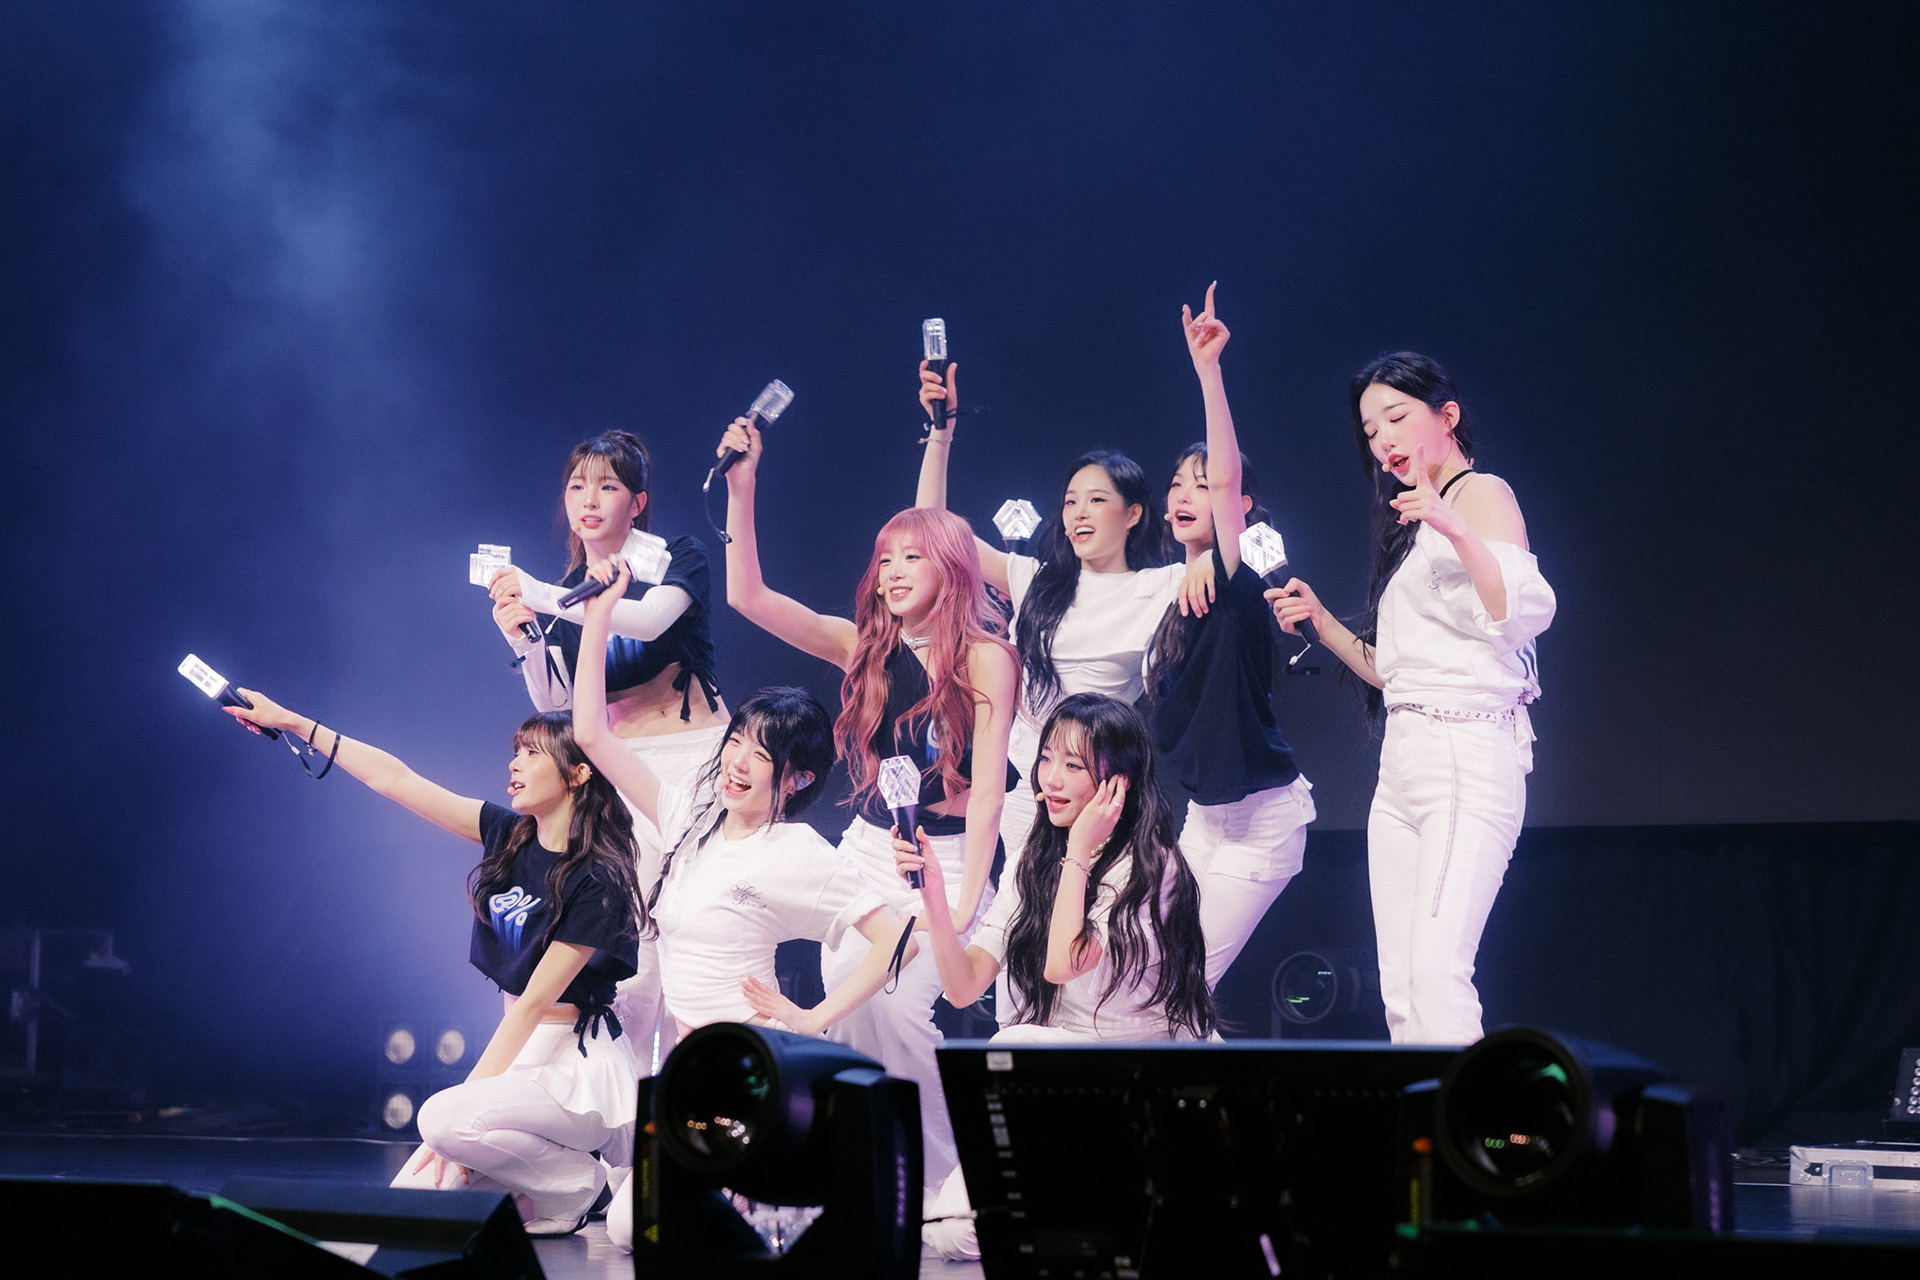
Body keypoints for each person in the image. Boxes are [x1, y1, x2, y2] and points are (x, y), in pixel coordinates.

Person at [569, 561, 917, 1252]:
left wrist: (814, 1016)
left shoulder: (796, 851)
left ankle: (784, 1197)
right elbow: (590, 735)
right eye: (736, 742)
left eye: (760, 754)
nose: (736, 761)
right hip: (689, 1069)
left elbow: (897, 935)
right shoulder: (688, 817)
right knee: (635, 1225)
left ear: (797, 777)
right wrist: (600, 615)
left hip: (752, 1069)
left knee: (656, 1229)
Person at [718, 411, 1019, 1191]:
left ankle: (948, 1185)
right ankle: (877, 1175)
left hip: (947, 856)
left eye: (913, 556)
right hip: (868, 848)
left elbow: (989, 791)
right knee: (853, 1011)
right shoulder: (866, 647)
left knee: (897, 1011)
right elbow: (748, 596)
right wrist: (743, 487)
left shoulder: (988, 658)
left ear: (951, 567)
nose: (893, 571)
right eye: (885, 557)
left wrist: (966, 895)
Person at [221, 694, 642, 1236]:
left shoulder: (596, 878)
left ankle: (582, 1185)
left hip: (576, 1069)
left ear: (578, 773)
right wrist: (292, 722)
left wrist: (455, 1119)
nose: (514, 763)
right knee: (410, 1206)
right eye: (516, 751)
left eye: (532, 753)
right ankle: (558, 1191)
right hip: (524, 1059)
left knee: (442, 1121)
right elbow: (394, 779)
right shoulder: (508, 834)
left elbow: (533, 1005)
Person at [1268, 352, 1554, 1045]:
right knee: (1399, 987)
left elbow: (1518, 612)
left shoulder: (1480, 494)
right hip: (1404, 761)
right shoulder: (1414, 527)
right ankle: (1427, 1112)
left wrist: (1452, 524)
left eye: (1396, 418)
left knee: (1436, 973)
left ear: (1447, 416)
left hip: (1467, 751)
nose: (1383, 441)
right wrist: (1323, 623)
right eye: (1370, 431)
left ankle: (1469, 1116)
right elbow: (1395, 671)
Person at [894, 693, 1214, 1262]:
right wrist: (937, 900)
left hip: (1143, 1078)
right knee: (956, 1232)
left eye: (1074, 765)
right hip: (1064, 1076)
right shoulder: (1035, 855)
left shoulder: (1151, 867)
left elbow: (1061, 963)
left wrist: (1080, 851)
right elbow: (964, 988)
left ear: (1117, 783)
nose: (1052, 779)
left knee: (1018, 1043)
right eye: (1047, 759)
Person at [913, 365, 1190, 926]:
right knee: (1021, 925)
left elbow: (1228, 551)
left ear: (1133, 513)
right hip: (1022, 778)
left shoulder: (1163, 584)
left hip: (1096, 783)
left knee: (1086, 924)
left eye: (1096, 500)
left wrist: (1205, 559)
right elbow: (931, 530)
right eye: (1069, 502)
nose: (1078, 513)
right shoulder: (1036, 580)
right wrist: (941, 434)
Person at [487, 429, 729, 1069]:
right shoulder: (568, 587)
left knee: (693, 931)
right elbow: (559, 701)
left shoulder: (676, 556)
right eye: (577, 486)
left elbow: (647, 622)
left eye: (608, 486)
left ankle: (697, 1102)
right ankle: (623, 1111)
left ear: (638, 501)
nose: (589, 499)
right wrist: (525, 638)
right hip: (617, 773)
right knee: (631, 941)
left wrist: (545, 595)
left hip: (693, 761)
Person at [1143, 283, 1316, 986]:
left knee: (1179, 991)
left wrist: (1208, 373)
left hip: (1263, 819)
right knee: (1151, 982)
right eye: (1175, 485)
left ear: (1240, 502)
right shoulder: (1164, 594)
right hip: (1204, 819)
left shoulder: (1242, 574)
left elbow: (1225, 486)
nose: (1187, 493)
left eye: (1203, 483)